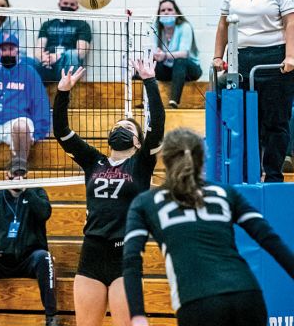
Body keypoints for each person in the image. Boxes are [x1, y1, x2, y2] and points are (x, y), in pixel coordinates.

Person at [123, 127, 294, 326]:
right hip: (247, 295)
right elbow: (268, 238)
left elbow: (131, 260)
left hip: (197, 302)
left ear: (165, 160)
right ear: (203, 158)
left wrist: (137, 314)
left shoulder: (145, 202)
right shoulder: (224, 192)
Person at [53, 58, 165, 326]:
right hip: (91, 252)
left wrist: (149, 81)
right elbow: (62, 132)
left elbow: (157, 125)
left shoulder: (141, 164)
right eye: (117, 127)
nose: (120, 129)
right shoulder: (94, 161)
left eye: (127, 128)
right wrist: (63, 93)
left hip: (123, 255)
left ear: (138, 142)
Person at [213, 0, 294, 182]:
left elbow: (290, 22)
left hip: (274, 58)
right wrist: (218, 56)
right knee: (247, 122)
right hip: (242, 59)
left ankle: (272, 175)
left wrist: (290, 56)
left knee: (276, 122)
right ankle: (248, 173)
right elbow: (223, 24)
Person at [0, 158, 60, 326]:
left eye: (23, 174)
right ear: (7, 176)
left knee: (45, 257)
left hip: (28, 260)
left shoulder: (37, 192)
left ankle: (51, 318)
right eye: (15, 174)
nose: (19, 177)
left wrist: (26, 191)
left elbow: (44, 214)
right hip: (0, 261)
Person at [0, 33, 51, 169]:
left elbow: (41, 104)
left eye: (10, 48)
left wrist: (39, 132)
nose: (7, 52)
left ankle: (18, 166)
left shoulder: (29, 73)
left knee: (22, 126)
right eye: (3, 49)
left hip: (16, 122)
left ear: (17, 50)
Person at [153, 0, 202, 109]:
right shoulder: (156, 28)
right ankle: (145, 100)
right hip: (169, 70)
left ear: (176, 13)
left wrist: (164, 55)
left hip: (189, 70)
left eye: (170, 9)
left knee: (180, 61)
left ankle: (173, 101)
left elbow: (184, 53)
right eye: (163, 10)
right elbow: (153, 50)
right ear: (159, 14)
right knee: (150, 63)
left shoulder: (185, 26)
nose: (166, 12)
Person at [35, 0, 92, 82]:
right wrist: (44, 57)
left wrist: (58, 56)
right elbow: (38, 50)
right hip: (47, 64)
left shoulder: (82, 25)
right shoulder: (47, 24)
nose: (68, 6)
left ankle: (66, 87)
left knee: (72, 55)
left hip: (66, 64)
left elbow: (81, 52)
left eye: (72, 4)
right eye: (65, 3)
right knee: (29, 61)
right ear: (59, 4)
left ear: (77, 7)